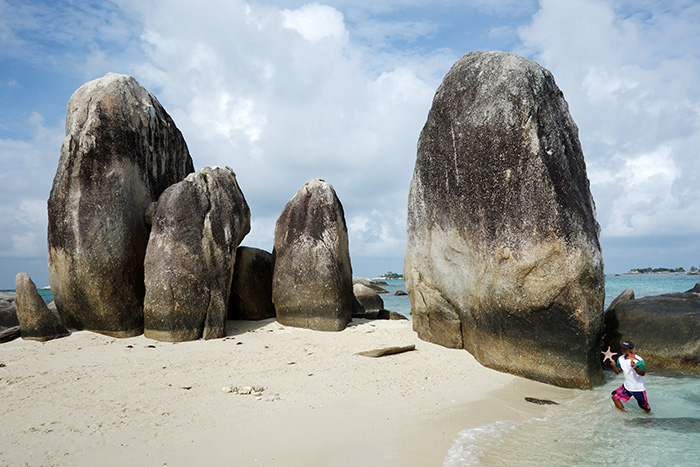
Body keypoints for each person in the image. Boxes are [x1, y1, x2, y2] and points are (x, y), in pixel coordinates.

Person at [610, 340, 651, 412]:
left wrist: (635, 368)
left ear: (631, 349)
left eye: (626, 349)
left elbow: (642, 373)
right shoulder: (620, 359)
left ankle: (649, 419)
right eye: (622, 348)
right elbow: (617, 372)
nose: (623, 350)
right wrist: (613, 366)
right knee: (614, 396)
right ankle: (624, 415)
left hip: (638, 388)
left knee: (644, 407)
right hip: (627, 386)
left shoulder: (638, 360)